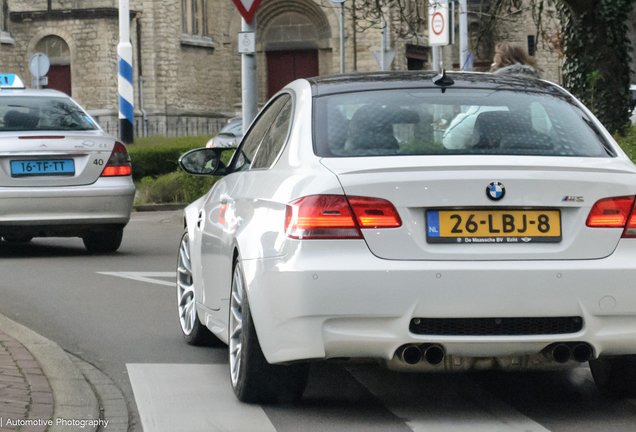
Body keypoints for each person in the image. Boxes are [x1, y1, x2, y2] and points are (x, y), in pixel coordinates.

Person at [443, 43, 542, 150]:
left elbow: (454, 138)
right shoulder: (540, 92)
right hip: (538, 152)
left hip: (492, 155)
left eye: (496, 54)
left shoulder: (493, 91)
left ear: (500, 59)